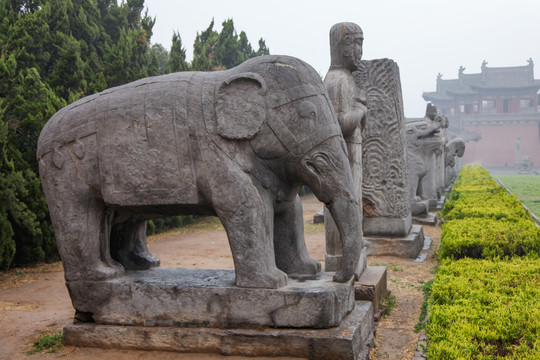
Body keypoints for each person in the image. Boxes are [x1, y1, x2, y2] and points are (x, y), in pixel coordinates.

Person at [323, 22, 366, 273]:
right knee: (343, 205)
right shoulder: (338, 80)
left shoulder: (346, 78)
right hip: (343, 156)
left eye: (362, 43)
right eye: (357, 43)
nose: (360, 50)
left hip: (352, 154)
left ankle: (351, 251)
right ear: (343, 45)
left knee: (353, 205)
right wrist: (361, 110)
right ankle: (340, 256)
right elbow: (340, 123)